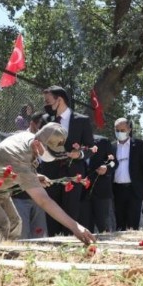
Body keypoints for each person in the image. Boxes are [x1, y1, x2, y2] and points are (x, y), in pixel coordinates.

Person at [0, 123, 95, 244]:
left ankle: (7, 256)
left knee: (15, 223)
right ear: (36, 143)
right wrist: (75, 227)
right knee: (0, 223)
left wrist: (34, 176)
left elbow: (14, 166)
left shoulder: (28, 137)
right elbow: (43, 201)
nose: (49, 156)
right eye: (48, 151)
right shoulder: (19, 157)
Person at [40, 86, 95, 236]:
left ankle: (70, 242)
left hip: (73, 173)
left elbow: (91, 147)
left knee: (71, 211)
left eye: (48, 101)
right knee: (51, 210)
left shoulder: (81, 121)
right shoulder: (45, 120)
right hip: (50, 173)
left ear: (60, 100)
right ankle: (53, 243)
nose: (46, 105)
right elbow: (38, 143)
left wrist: (80, 155)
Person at [11, 111, 49, 239]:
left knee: (40, 236)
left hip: (39, 197)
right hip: (20, 196)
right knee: (21, 236)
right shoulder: (18, 139)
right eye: (41, 127)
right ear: (32, 124)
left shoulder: (45, 142)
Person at [111, 118, 143, 231]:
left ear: (129, 129)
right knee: (119, 221)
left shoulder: (139, 145)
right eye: (117, 130)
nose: (120, 133)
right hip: (117, 189)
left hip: (134, 189)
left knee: (133, 222)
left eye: (122, 130)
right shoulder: (111, 147)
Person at [79, 136, 115, 233]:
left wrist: (106, 168)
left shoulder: (103, 142)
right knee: (85, 229)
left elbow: (114, 162)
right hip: (82, 194)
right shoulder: (74, 143)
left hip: (101, 193)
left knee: (104, 228)